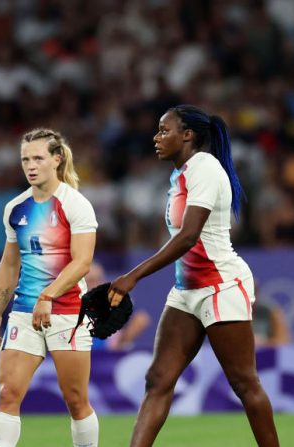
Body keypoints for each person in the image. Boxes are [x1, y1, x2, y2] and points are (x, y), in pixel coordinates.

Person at [108, 105, 280, 447]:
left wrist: (134, 275)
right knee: (158, 379)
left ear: (187, 135)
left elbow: (188, 237)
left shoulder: (205, 168)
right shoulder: (179, 176)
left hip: (221, 287)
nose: (156, 138)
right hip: (186, 291)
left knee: (245, 384)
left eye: (164, 130)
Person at [0, 128, 99, 447]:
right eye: (25, 159)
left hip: (68, 310)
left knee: (75, 400)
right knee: (8, 394)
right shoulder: (15, 209)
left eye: (38, 158)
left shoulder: (75, 204)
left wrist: (48, 295)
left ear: (56, 159)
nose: (30, 165)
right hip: (24, 311)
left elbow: (83, 262)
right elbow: (9, 265)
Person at [84, 261, 151, 351]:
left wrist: (121, 342)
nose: (96, 284)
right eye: (91, 280)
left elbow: (141, 319)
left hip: (106, 358)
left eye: (99, 279)